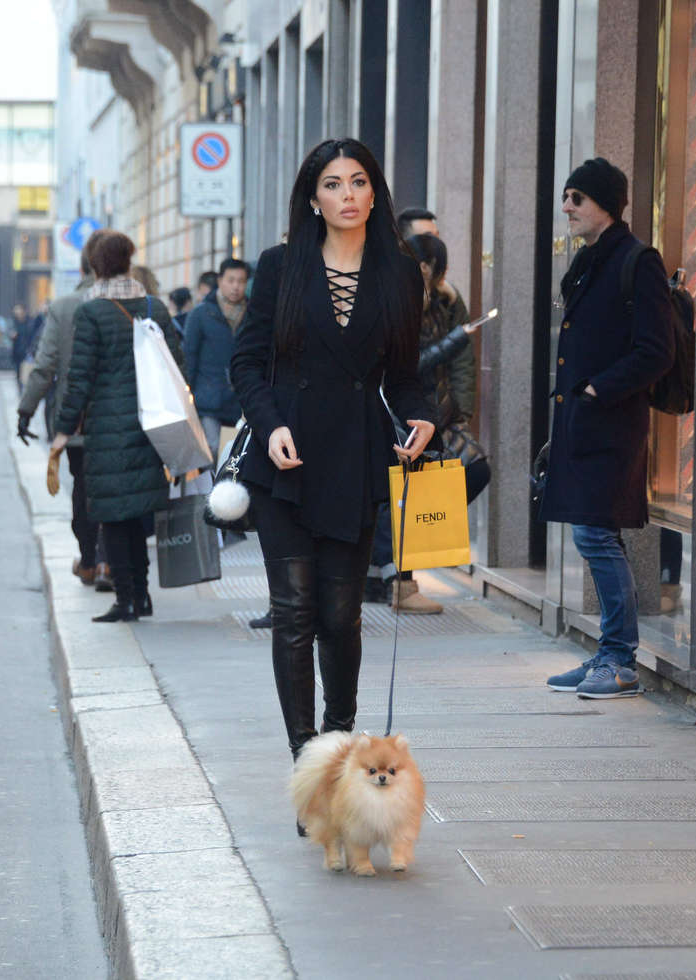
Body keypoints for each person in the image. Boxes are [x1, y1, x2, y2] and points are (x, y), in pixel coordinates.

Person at [230, 137, 434, 767]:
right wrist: (268, 427)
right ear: (313, 198)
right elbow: (246, 361)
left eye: (358, 183)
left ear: (375, 192)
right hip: (285, 459)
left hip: (353, 455)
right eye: (333, 185)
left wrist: (422, 415)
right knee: (294, 612)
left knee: (341, 617)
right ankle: (308, 765)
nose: (347, 196)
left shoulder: (399, 272)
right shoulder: (281, 264)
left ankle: (338, 734)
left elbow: (404, 371)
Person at [539, 157, 675, 699]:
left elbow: (656, 351)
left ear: (604, 203)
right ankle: (608, 651)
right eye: (566, 197)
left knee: (597, 535)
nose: (566, 207)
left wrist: (598, 389)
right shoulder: (593, 259)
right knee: (592, 533)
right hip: (582, 422)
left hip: (612, 425)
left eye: (576, 198)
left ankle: (620, 660)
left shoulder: (637, 261)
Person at [49, 229, 181, 623]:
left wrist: (63, 428)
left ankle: (125, 600)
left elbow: (80, 378)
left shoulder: (92, 311)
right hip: (150, 427)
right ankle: (142, 596)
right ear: (127, 260)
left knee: (114, 517)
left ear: (95, 265)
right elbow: (177, 367)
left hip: (107, 430)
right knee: (137, 513)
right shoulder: (154, 307)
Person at [365, 232, 486, 613]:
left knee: (471, 471)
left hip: (439, 411)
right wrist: (450, 342)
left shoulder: (447, 301)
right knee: (398, 494)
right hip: (400, 408)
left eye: (431, 268)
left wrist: (461, 411)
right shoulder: (395, 298)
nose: (425, 273)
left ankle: (395, 568)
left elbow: (463, 364)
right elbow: (403, 366)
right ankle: (397, 581)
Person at [19, 239, 106, 589]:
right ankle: (108, 562)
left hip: (76, 419)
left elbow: (45, 365)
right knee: (115, 488)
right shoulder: (134, 303)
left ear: (84, 269)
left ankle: (89, 560)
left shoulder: (65, 305)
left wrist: (26, 409)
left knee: (83, 486)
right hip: (124, 418)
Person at [183, 258, 249, 455]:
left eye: (241, 281)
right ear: (220, 281)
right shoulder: (201, 314)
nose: (236, 286)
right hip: (208, 402)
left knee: (232, 456)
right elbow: (189, 358)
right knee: (212, 452)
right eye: (231, 280)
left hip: (241, 403)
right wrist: (189, 398)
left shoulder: (253, 314)